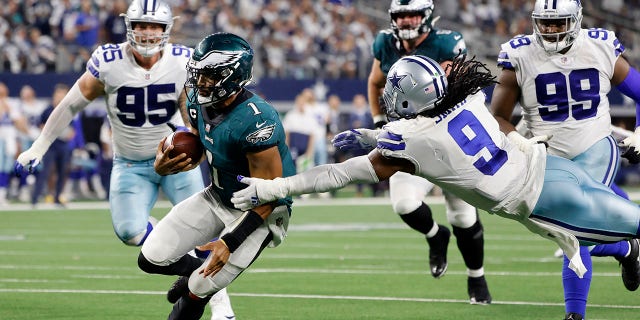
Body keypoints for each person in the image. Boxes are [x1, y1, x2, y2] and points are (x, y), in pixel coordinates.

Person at [231, 55, 640, 312]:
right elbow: (437, 133)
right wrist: (370, 134)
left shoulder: (410, 139)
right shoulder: (464, 98)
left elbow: (336, 174)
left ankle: (628, 249)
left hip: (542, 198)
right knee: (604, 231)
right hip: (547, 168)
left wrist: (271, 188)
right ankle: (627, 250)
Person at [13, 1, 235, 319]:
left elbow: (192, 115)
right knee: (130, 231)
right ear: (129, 27)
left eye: (154, 26)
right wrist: (39, 146)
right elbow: (70, 105)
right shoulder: (108, 61)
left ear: (166, 29)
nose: (147, 32)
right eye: (141, 25)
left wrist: (201, 144)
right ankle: (188, 262)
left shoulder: (183, 61)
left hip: (175, 160)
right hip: (131, 164)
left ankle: (222, 309)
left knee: (204, 236)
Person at [489, 1, 640, 319]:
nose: (552, 29)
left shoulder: (598, 46)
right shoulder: (519, 55)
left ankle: (575, 314)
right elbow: (498, 117)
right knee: (561, 228)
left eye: (559, 22)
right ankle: (627, 247)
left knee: (575, 227)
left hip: (595, 147)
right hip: (548, 157)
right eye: (545, 22)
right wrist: (518, 140)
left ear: (576, 20)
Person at [137, 32, 296, 320]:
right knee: (151, 257)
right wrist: (165, 166)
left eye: (210, 75)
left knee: (199, 288)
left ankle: (194, 284)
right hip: (217, 196)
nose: (201, 82)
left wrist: (230, 241)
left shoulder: (256, 120)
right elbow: (201, 148)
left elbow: (272, 195)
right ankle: (191, 274)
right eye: (198, 73)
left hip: (258, 212)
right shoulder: (200, 103)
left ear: (234, 75)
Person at [366, 0, 490, 304]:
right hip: (409, 142)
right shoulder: (384, 42)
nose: (407, 21)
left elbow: (467, 94)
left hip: (448, 143)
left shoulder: (447, 44)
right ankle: (436, 235)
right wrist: (379, 121)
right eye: (401, 15)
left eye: (413, 14)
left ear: (427, 16)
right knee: (405, 205)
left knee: (462, 216)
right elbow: (374, 81)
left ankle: (477, 277)